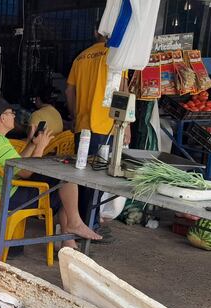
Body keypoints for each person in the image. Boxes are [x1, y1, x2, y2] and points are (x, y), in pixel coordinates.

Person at [0, 98, 101, 249]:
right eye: (11, 113)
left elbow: (17, 163)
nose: (14, 116)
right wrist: (40, 147)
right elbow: (25, 173)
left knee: (64, 191)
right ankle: (74, 226)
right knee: (66, 182)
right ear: (2, 117)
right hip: (10, 196)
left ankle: (69, 241)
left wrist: (31, 144)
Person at [65, 33, 128, 238]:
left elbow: (69, 92)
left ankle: (80, 222)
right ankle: (89, 225)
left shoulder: (81, 57)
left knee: (80, 175)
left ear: (95, 32)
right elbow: (122, 92)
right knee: (96, 179)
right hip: (105, 128)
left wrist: (76, 115)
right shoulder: (116, 56)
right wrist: (126, 125)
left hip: (82, 126)